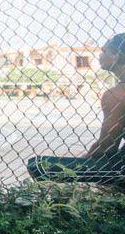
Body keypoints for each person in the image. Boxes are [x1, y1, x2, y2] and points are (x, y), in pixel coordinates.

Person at [27, 34, 125, 183]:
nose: (99, 55)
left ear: (116, 56)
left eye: (104, 51)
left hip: (122, 168)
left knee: (38, 165)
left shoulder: (116, 94)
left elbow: (108, 144)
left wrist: (81, 162)